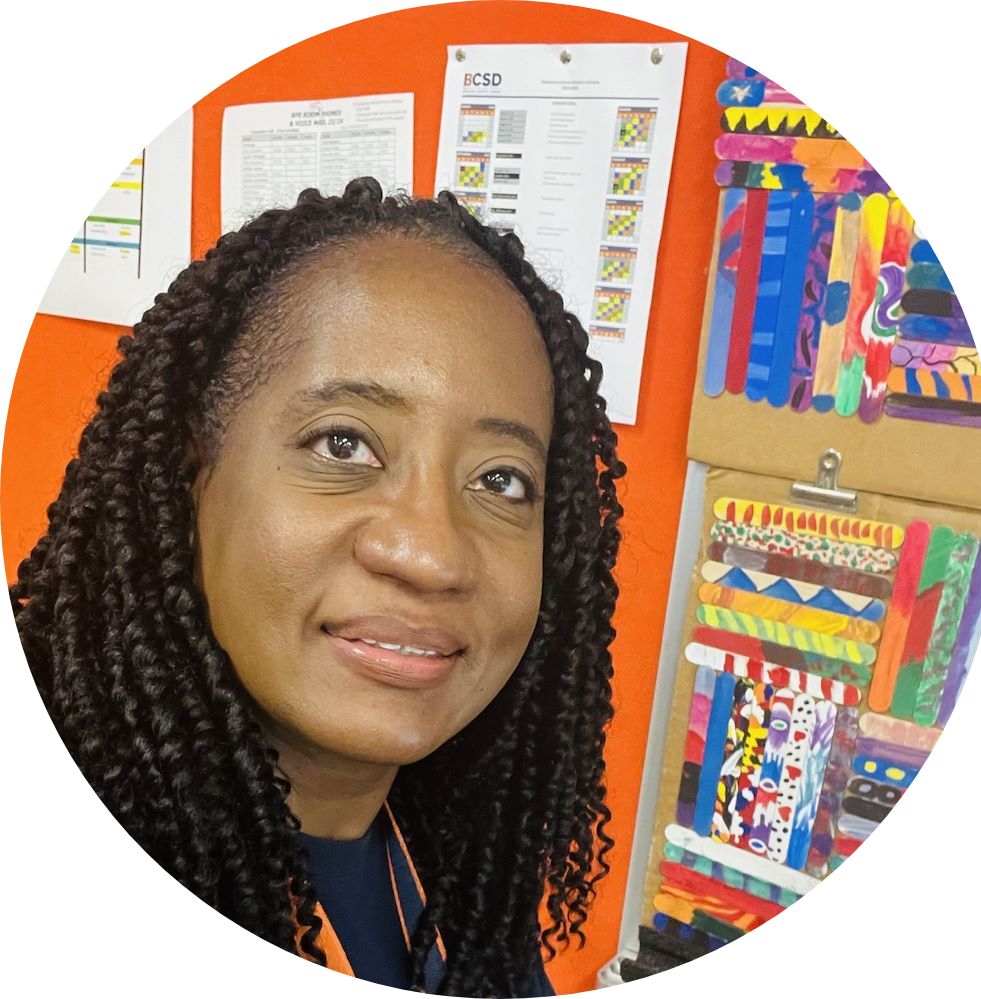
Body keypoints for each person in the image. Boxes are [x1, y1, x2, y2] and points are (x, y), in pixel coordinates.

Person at [9, 177, 625, 997]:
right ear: (187, 473)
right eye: (343, 444)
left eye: (501, 480)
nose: (431, 554)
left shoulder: (461, 869)